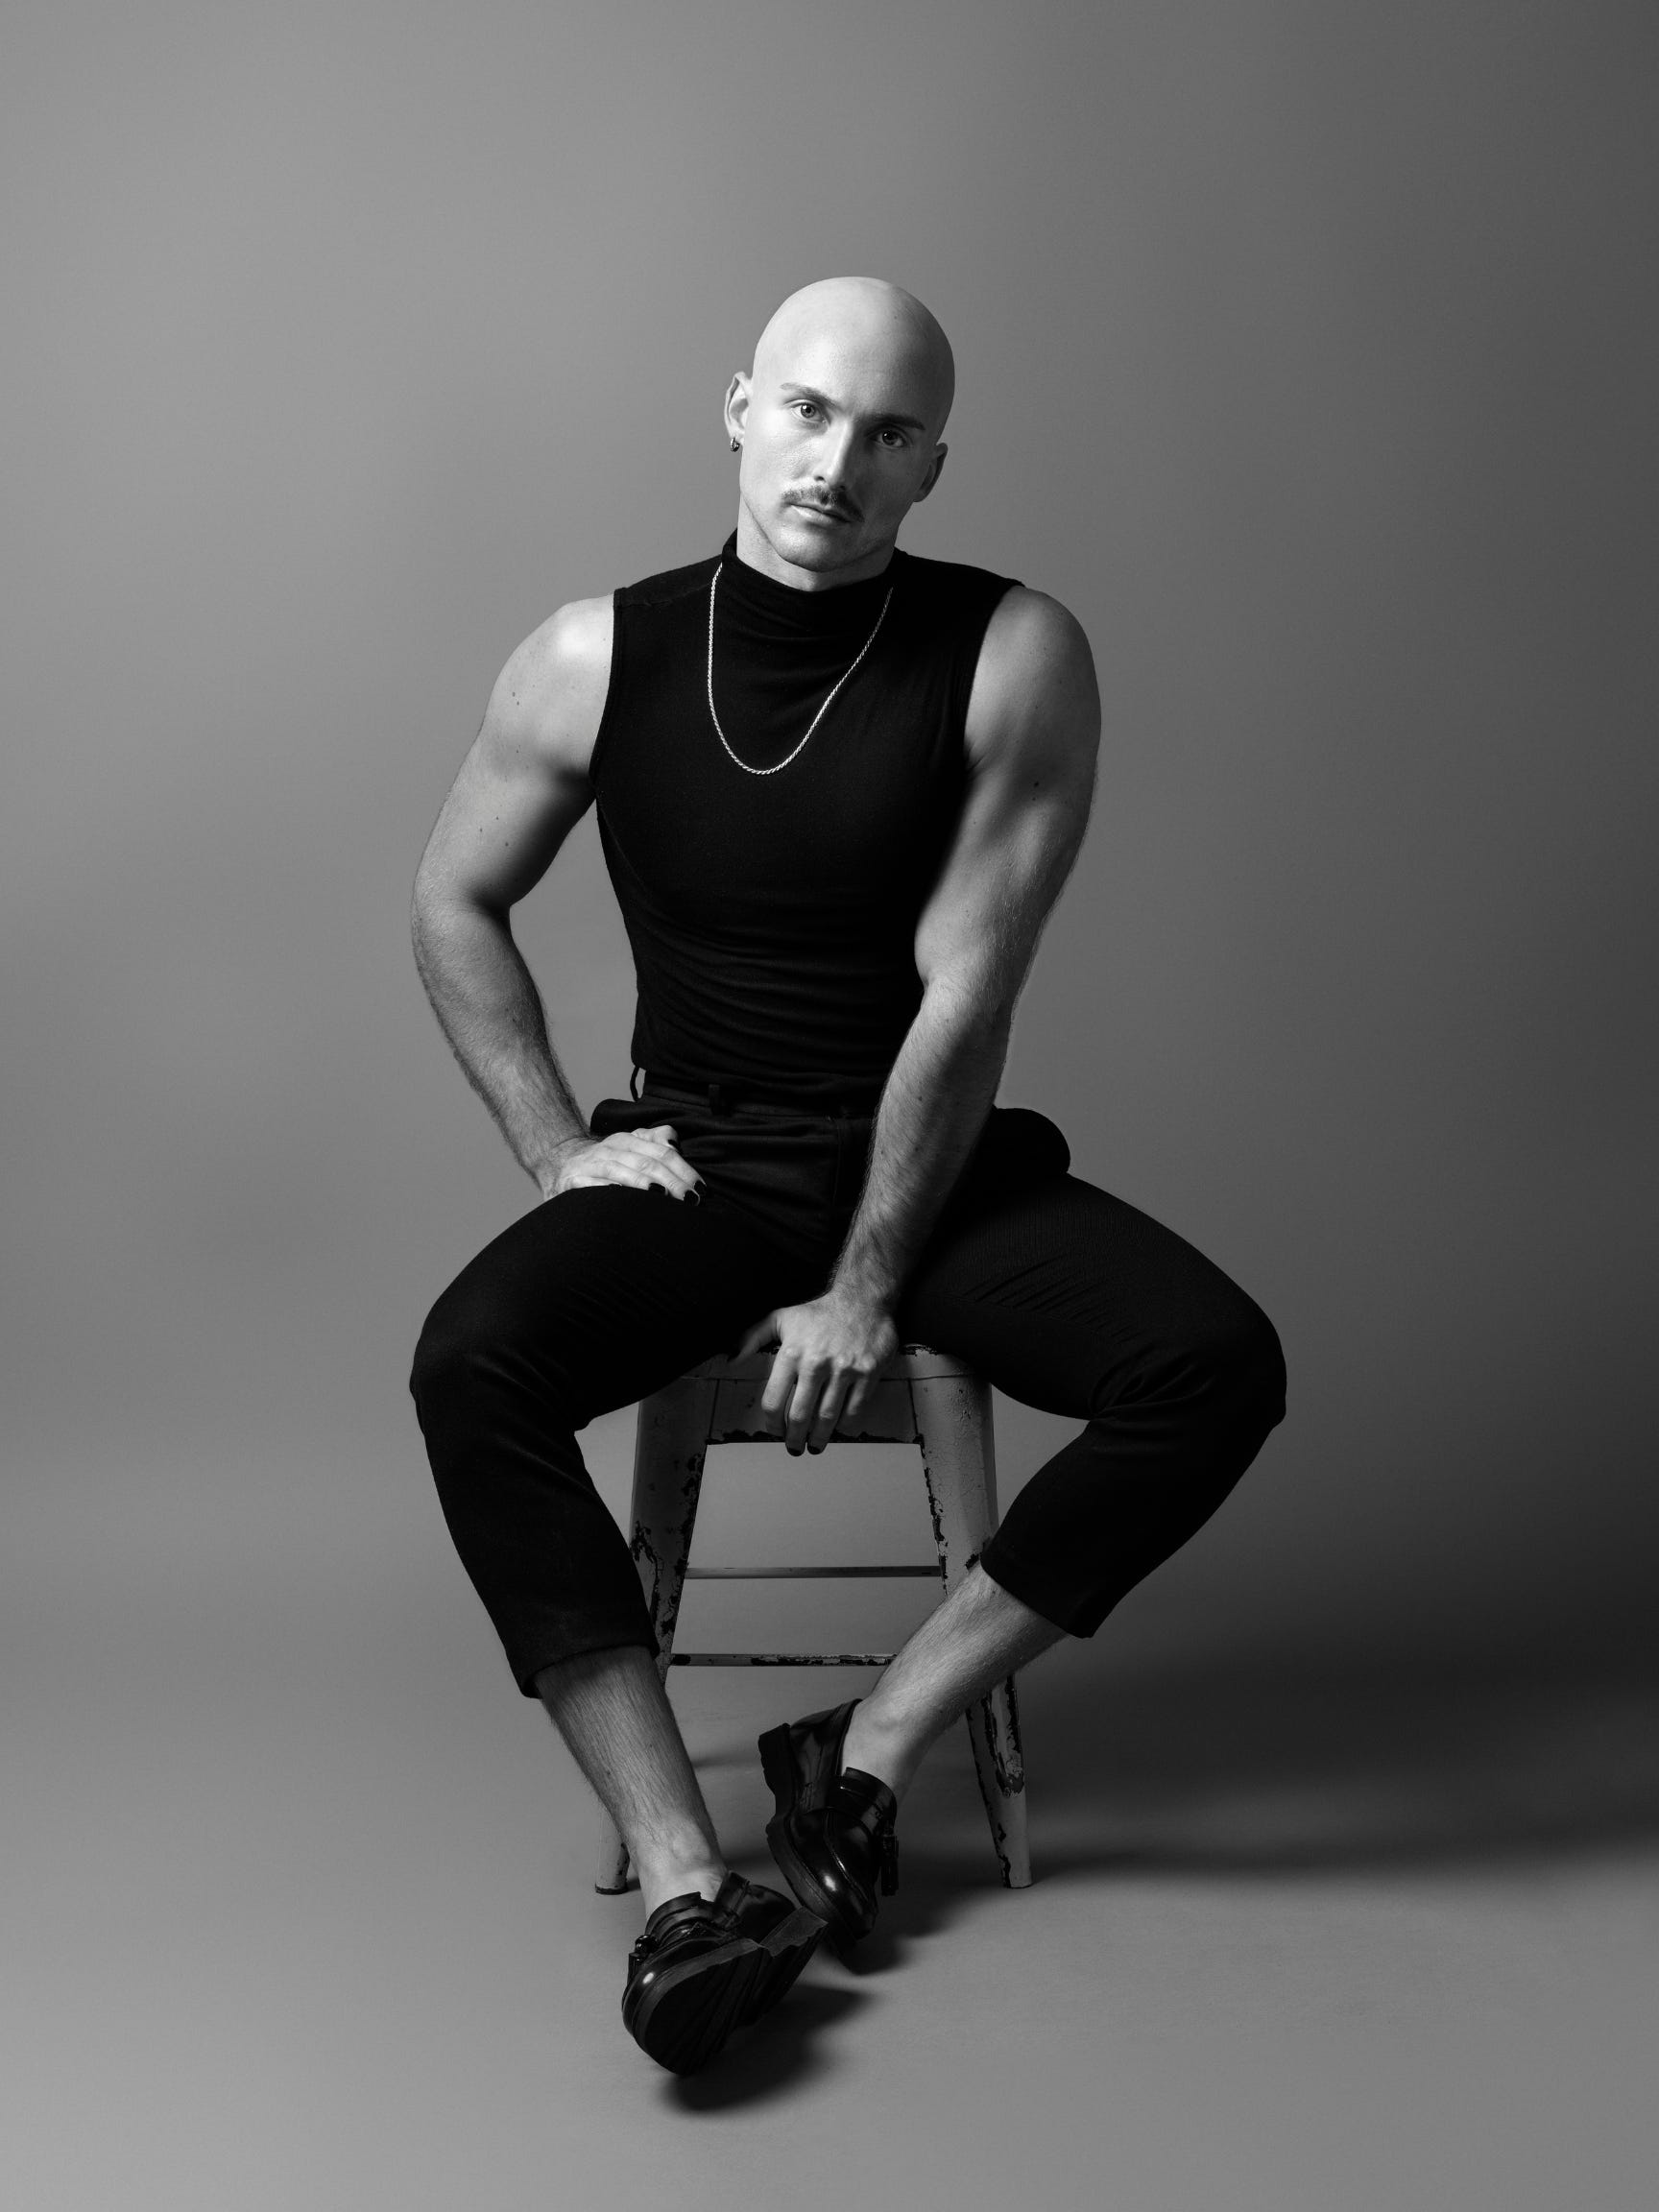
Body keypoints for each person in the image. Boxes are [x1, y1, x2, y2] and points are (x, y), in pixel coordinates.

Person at [408, 276, 1286, 2075]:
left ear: (933, 465)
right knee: (469, 1363)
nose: (838, 463)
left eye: (889, 434)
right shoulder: (596, 654)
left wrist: (872, 1286)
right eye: (809, 412)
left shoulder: (1013, 648)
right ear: (738, 407)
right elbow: (454, 899)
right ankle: (683, 1883)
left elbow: (973, 988)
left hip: (929, 1167)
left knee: (1216, 1364)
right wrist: (562, 1148)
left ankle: (865, 1754)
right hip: (705, 1167)